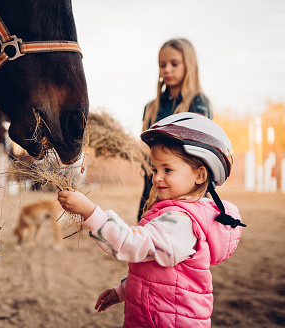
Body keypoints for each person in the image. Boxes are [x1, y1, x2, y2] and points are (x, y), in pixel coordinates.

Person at [58, 113, 245, 328]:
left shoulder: (183, 224)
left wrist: (90, 212)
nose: (156, 177)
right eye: (155, 169)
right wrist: (122, 292)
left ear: (200, 175)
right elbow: (156, 273)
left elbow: (132, 244)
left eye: (168, 169)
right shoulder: (169, 214)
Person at [138, 38, 213, 221]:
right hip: (153, 185)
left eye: (174, 63)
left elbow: (200, 150)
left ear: (189, 65)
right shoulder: (151, 107)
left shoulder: (198, 103)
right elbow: (142, 148)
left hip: (186, 192)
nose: (167, 69)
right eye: (162, 65)